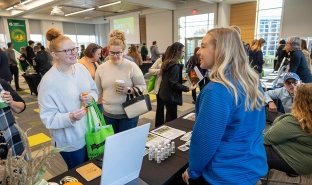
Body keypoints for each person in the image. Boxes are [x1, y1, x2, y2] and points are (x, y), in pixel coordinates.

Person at [182, 28, 267, 185]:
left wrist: (193, 170)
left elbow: (206, 141)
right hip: (251, 167)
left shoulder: (216, 90)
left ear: (220, 50)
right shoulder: (252, 82)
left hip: (223, 174)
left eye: (203, 46)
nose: (198, 52)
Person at [38, 28, 98, 170]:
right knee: (79, 173)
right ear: (54, 54)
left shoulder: (81, 69)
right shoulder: (48, 82)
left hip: (91, 131)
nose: (73, 52)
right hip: (70, 140)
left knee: (93, 170)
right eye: (67, 50)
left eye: (74, 48)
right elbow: (48, 118)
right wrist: (70, 117)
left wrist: (91, 98)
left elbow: (94, 91)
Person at [95, 30, 146, 133]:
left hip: (129, 112)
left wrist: (129, 90)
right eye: (112, 53)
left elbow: (143, 86)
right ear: (108, 51)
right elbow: (97, 92)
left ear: (123, 51)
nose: (115, 56)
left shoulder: (131, 66)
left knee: (127, 144)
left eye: (118, 53)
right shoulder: (101, 68)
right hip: (108, 114)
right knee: (112, 144)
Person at [264, 83, 312, 176]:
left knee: (259, 148)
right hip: (307, 158)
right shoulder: (307, 118)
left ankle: (254, 177)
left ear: (298, 101)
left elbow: (267, 138)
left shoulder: (294, 121)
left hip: (299, 164)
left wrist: (280, 119)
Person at [158, 42, 196, 122]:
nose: (183, 53)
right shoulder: (174, 65)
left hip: (164, 94)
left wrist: (181, 79)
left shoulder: (168, 62)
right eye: (183, 51)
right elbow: (173, 83)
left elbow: (170, 80)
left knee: (169, 115)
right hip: (170, 96)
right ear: (177, 52)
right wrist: (188, 88)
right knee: (172, 118)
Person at [0, 79, 26, 159]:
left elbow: (21, 107)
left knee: (17, 168)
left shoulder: (2, 84)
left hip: (9, 137)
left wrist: (11, 102)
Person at [149, 46, 171, 127]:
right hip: (160, 88)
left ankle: (169, 125)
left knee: (170, 109)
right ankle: (158, 126)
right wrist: (160, 70)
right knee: (160, 108)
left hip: (170, 89)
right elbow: (150, 70)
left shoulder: (174, 61)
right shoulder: (160, 59)